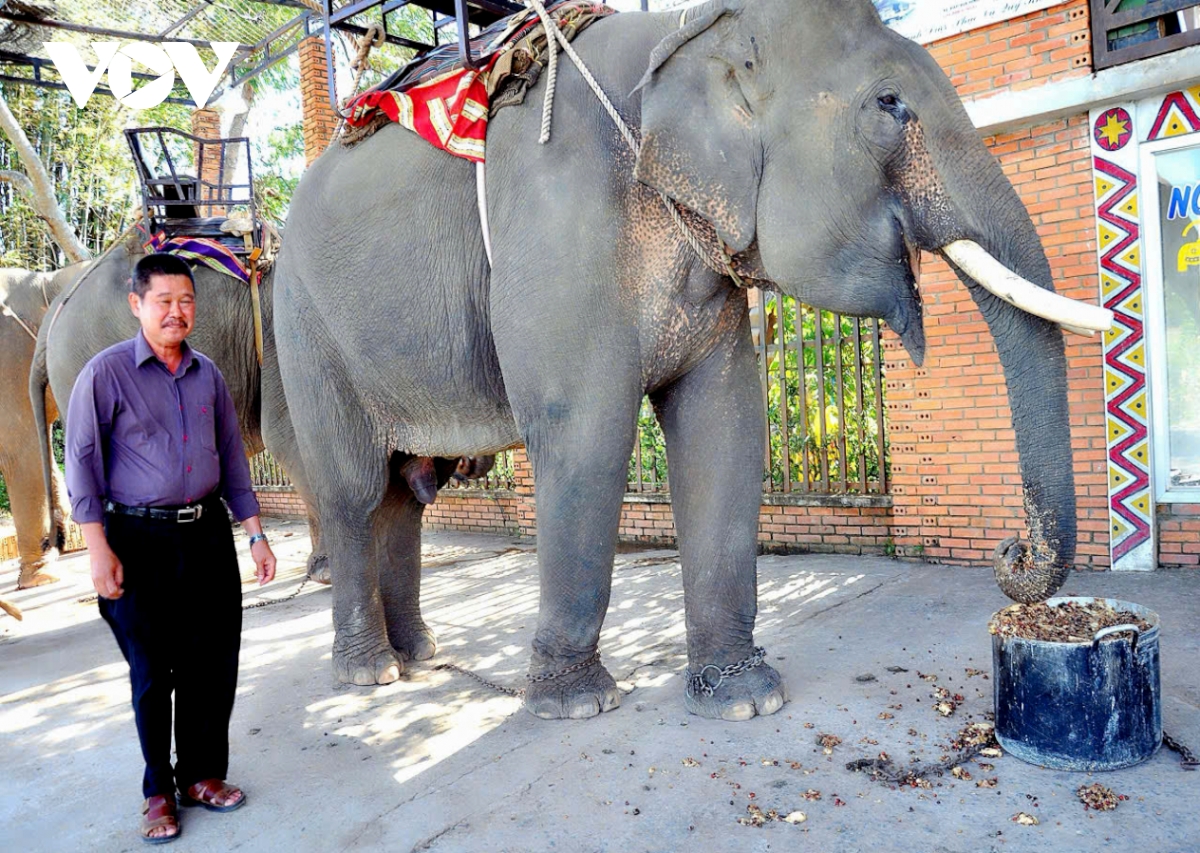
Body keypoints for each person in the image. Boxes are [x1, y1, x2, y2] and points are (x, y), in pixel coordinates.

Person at [66, 253, 277, 844]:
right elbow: (80, 462)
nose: (176, 312)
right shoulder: (105, 374)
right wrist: (96, 547)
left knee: (213, 664)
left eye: (186, 301)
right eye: (164, 301)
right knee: (153, 670)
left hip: (206, 533)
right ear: (137, 305)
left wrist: (254, 533)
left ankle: (202, 776)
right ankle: (159, 788)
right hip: (138, 538)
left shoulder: (207, 373)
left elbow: (232, 458)